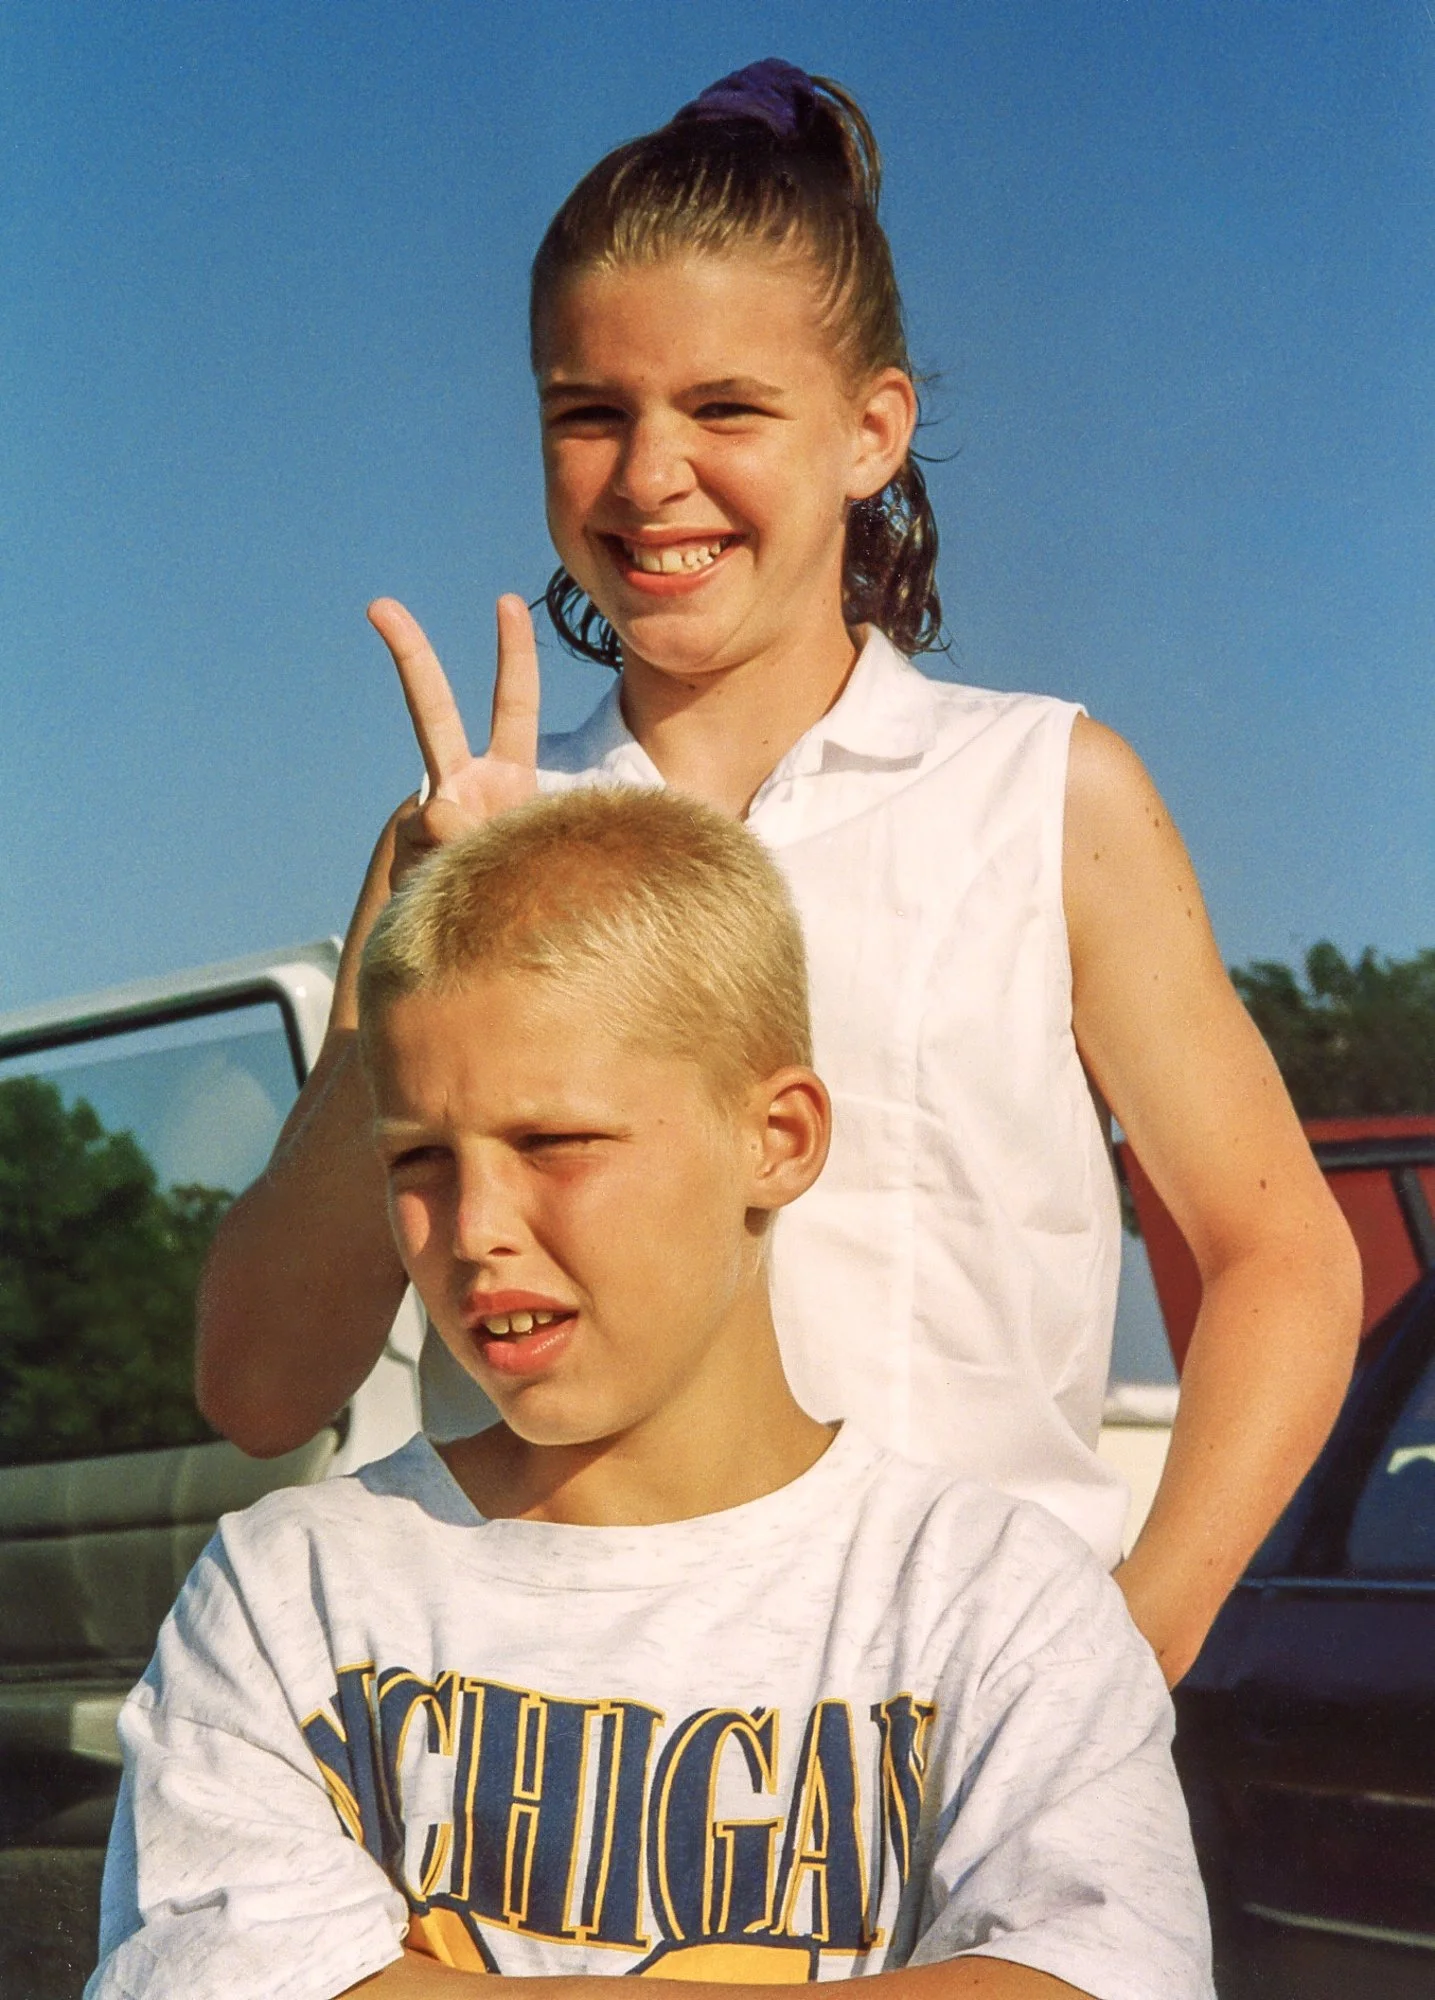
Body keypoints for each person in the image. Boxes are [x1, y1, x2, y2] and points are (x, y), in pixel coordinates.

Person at [195, 60, 1360, 1687]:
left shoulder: (1043, 792)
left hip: (956, 1741)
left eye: (725, 409)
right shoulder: (466, 831)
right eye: (589, 413)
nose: (650, 476)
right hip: (555, 1769)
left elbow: (1283, 1262)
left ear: (871, 429)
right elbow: (257, 1386)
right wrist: (414, 946)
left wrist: (1125, 1651)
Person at [91, 789, 1213, 2000]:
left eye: (556, 1142)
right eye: (418, 1157)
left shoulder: (996, 1600)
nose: (475, 1230)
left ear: (776, 1137)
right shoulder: (288, 1591)